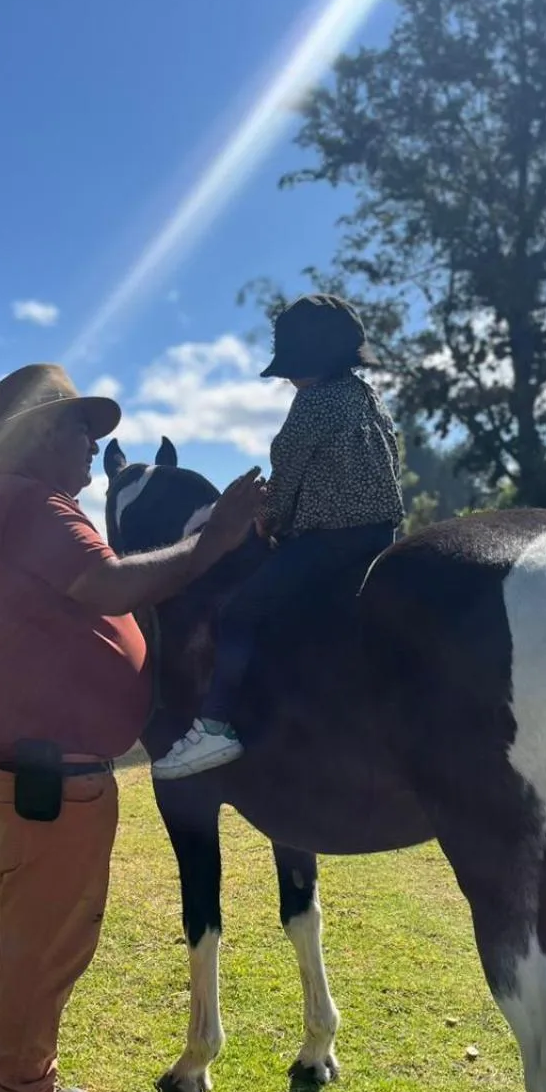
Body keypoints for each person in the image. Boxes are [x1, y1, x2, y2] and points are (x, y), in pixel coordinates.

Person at [0, 363, 264, 1092]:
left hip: (26, 772)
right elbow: (117, 583)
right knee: (43, 949)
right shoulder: (33, 506)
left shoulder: (8, 505)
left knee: (11, 936)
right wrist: (216, 538)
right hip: (53, 780)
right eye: (74, 427)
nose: (92, 444)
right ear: (32, 438)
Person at [152, 295, 404, 781]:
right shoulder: (365, 396)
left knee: (238, 612)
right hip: (380, 532)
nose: (289, 376)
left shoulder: (311, 403)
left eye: (293, 366)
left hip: (329, 538)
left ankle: (215, 726)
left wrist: (267, 516)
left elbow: (287, 473)